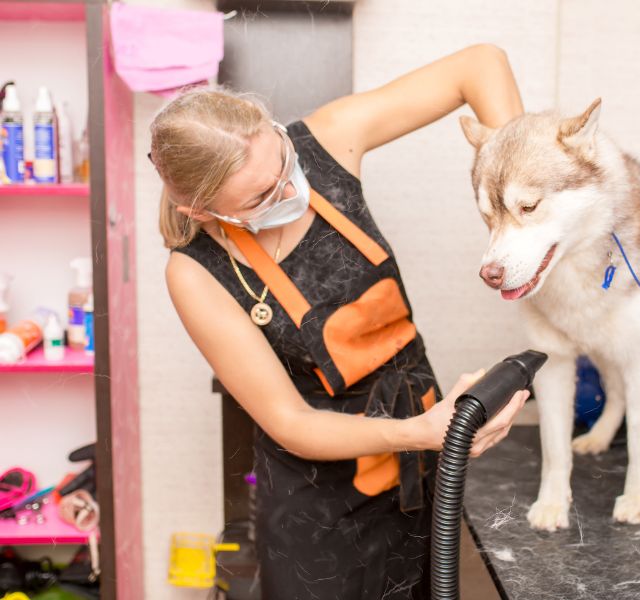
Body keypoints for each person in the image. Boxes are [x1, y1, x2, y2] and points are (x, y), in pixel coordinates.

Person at [151, 44, 529, 599]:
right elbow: (289, 421)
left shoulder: (325, 141)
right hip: (318, 512)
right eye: (262, 196)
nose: (289, 192)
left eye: (283, 163)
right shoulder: (195, 273)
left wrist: (521, 208)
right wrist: (418, 432)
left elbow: (482, 65)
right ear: (203, 212)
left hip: (419, 473)